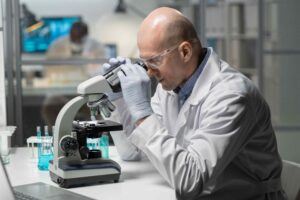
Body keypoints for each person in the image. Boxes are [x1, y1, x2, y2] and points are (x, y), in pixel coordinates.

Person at [104, 7, 287, 200]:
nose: (149, 72)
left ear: (185, 52)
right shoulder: (171, 86)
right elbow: (132, 153)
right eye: (144, 62)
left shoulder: (232, 96)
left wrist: (143, 114)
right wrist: (120, 101)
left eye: (155, 60)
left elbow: (190, 181)